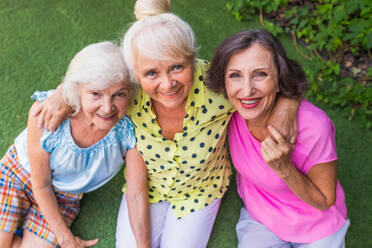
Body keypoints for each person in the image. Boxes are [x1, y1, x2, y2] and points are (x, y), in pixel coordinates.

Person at [32, 1, 299, 247]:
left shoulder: (216, 85)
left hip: (201, 190)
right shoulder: (127, 91)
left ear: (192, 59)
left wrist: (287, 104)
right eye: (151, 73)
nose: (167, 84)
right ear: (135, 73)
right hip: (148, 187)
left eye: (177, 67)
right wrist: (62, 96)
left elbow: (275, 81)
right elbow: (90, 78)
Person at [207, 29, 349, 248]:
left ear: (279, 78)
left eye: (260, 74)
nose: (247, 90)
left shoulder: (314, 127)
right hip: (262, 217)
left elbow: (324, 200)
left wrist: (284, 168)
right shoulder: (228, 109)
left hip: (317, 223)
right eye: (235, 75)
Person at [0, 42, 148, 248]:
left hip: (65, 196)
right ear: (77, 90)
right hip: (18, 176)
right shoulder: (47, 114)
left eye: (119, 94)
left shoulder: (128, 132)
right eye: (95, 94)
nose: (107, 108)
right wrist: (65, 237)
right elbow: (41, 184)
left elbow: (136, 193)